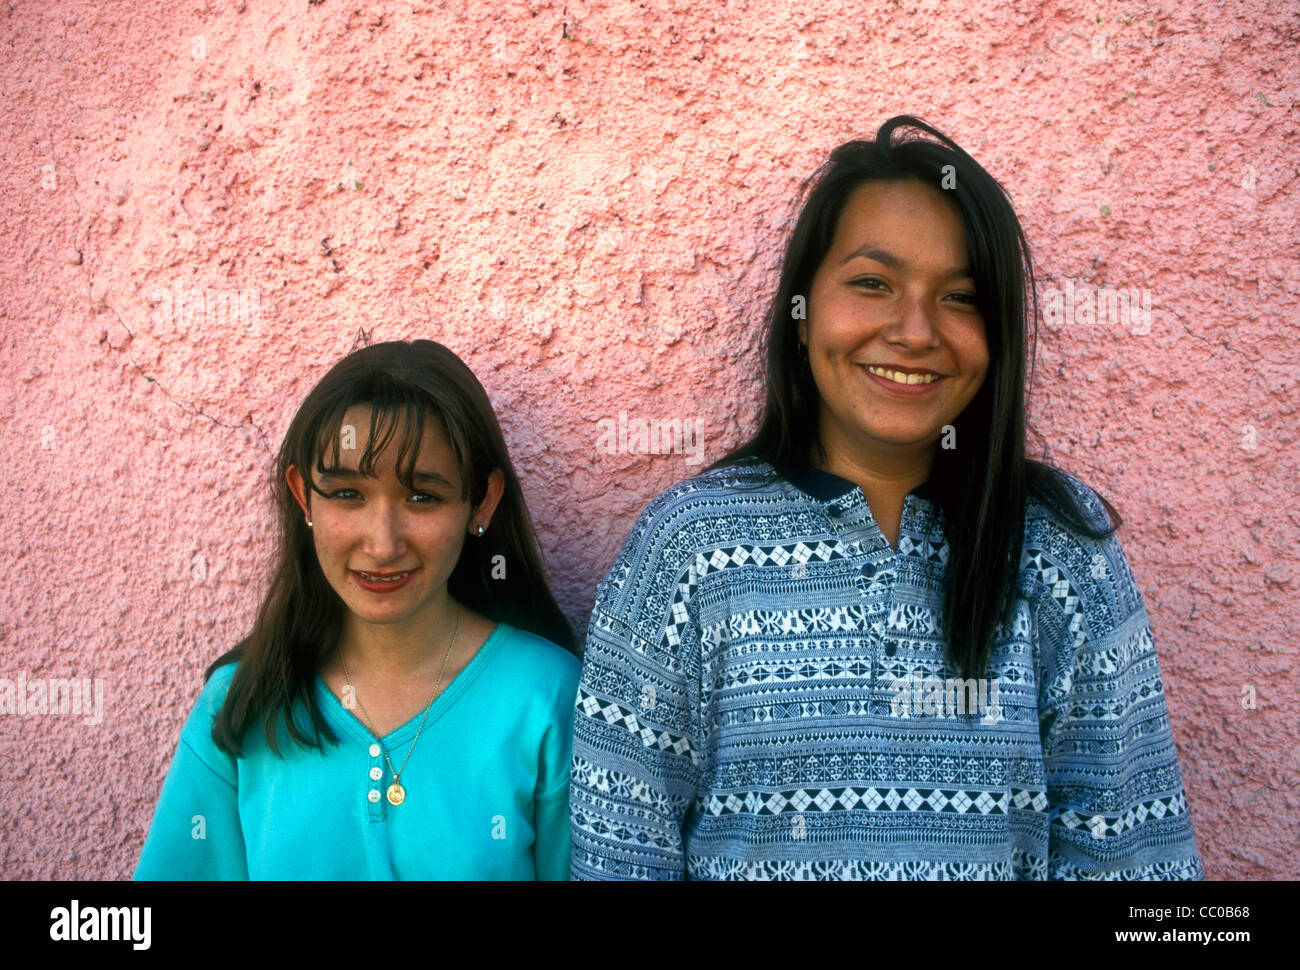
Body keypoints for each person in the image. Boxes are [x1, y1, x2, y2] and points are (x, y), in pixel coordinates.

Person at [569, 116, 1204, 880]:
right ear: (801, 314)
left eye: (961, 297)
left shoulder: (1057, 549)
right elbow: (619, 857)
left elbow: (1137, 864)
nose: (914, 331)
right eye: (872, 283)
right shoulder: (688, 551)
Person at [135, 339, 580, 880]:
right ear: (304, 496)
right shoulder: (240, 705)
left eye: (423, 497)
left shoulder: (549, 698)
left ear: (480, 501)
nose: (383, 543)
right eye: (347, 494)